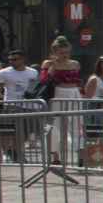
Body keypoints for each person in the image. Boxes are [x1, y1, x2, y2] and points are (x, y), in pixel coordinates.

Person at [39, 36, 83, 165]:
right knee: (54, 125)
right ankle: (55, 156)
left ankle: (80, 154)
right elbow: (43, 80)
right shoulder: (48, 63)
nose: (65, 55)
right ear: (55, 52)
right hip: (58, 93)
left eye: (67, 52)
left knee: (78, 123)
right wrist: (52, 67)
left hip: (74, 93)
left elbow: (78, 80)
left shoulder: (75, 63)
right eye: (61, 52)